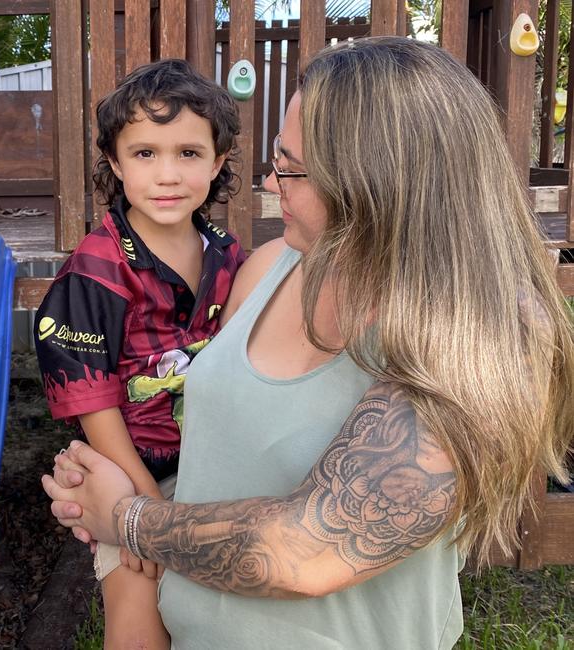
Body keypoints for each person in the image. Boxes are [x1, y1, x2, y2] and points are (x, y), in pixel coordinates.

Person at [43, 38, 574, 649]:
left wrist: (127, 518)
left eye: (291, 169)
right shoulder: (269, 266)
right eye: (275, 159)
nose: (270, 184)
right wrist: (101, 485)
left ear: (379, 179)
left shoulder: (482, 329)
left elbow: (308, 549)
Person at [34, 58, 245, 649]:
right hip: (132, 471)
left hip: (214, 462)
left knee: (218, 610)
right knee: (138, 608)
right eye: (146, 154)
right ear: (116, 164)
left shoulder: (228, 257)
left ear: (219, 161)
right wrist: (146, 512)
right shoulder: (96, 271)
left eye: (189, 153)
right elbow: (93, 402)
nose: (168, 175)